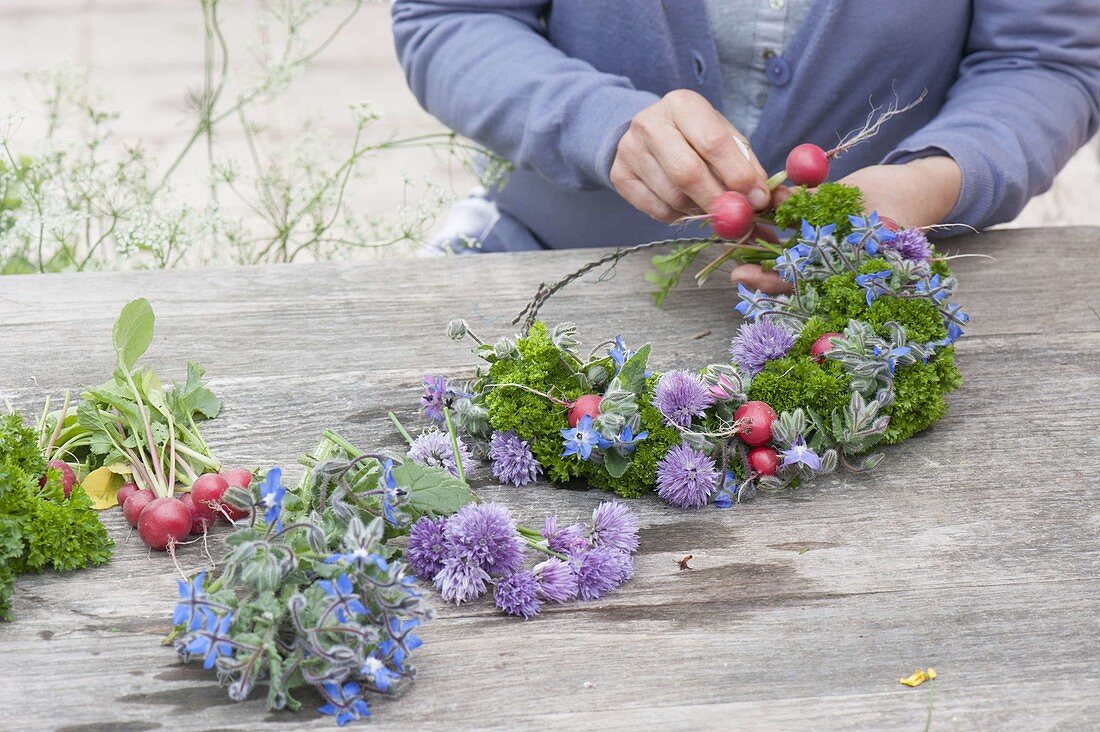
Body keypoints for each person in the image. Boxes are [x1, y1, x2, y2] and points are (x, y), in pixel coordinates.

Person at [392, 1, 1100, 291]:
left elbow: (1046, 60)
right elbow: (455, 17)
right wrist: (598, 124)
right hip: (549, 275)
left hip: (880, 308)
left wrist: (934, 181)